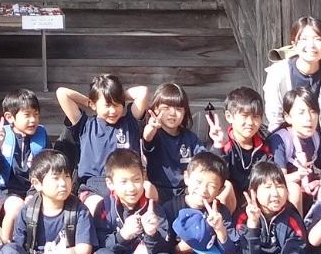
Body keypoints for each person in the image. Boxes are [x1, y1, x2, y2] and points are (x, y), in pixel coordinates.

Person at [53, 73, 147, 202]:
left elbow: (143, 92)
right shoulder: (85, 125)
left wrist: (115, 96)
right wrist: (91, 101)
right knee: (96, 206)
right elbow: (62, 93)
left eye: (117, 104)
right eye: (107, 105)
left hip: (127, 184)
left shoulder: (129, 124)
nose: (113, 111)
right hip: (93, 186)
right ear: (93, 104)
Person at [262, 16, 321, 144]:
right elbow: (275, 118)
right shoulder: (278, 73)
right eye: (304, 39)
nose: (311, 45)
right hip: (286, 143)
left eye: (318, 39)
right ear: (294, 44)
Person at [0, 89, 48, 244]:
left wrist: (33, 192)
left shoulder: (42, 135)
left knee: (37, 205)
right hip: (7, 192)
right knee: (16, 207)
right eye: (27, 115)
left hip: (34, 188)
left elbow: (45, 167)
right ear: (10, 117)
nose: (33, 120)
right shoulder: (2, 136)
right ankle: (6, 245)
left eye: (36, 114)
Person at [269, 87, 321, 212]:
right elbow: (278, 179)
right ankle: (297, 229)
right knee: (293, 188)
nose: (309, 118)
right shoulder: (280, 140)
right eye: (301, 112)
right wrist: (299, 175)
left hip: (309, 190)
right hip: (286, 195)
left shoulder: (315, 137)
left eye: (313, 111)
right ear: (288, 117)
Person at [142, 81, 205, 210]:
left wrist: (217, 144)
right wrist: (150, 129)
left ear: (185, 112)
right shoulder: (155, 134)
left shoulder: (190, 138)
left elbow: (204, 159)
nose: (172, 113)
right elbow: (147, 139)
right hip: (159, 191)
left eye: (178, 109)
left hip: (185, 192)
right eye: (166, 108)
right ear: (155, 109)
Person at [207, 85, 270, 205]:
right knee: (226, 186)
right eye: (244, 116)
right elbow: (213, 175)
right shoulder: (224, 145)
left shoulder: (264, 147)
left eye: (255, 116)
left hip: (257, 205)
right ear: (229, 117)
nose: (250, 122)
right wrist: (218, 145)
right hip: (230, 207)